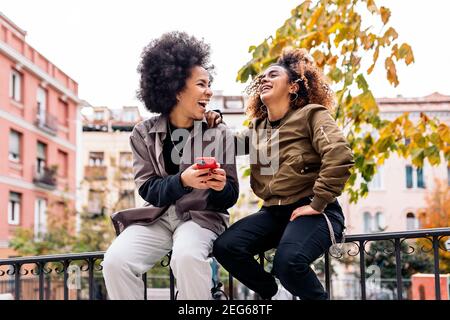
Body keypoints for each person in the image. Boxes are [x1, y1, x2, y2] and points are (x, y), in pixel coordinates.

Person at [102, 31, 239, 300]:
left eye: (209, 83)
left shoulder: (218, 132)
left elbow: (231, 195)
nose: (209, 91)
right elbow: (148, 189)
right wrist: (183, 181)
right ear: (176, 90)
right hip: (157, 218)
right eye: (201, 84)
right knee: (115, 262)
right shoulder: (142, 133)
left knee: (187, 257)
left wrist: (221, 186)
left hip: (200, 217)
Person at [212, 48, 354, 300]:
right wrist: (211, 121)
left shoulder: (312, 115)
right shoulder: (258, 128)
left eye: (273, 75)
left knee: (288, 263)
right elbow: (226, 145)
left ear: (293, 87)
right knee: (226, 247)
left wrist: (318, 202)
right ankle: (270, 291)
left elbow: (339, 154)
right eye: (262, 78)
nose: (264, 79)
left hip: (314, 210)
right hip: (274, 213)